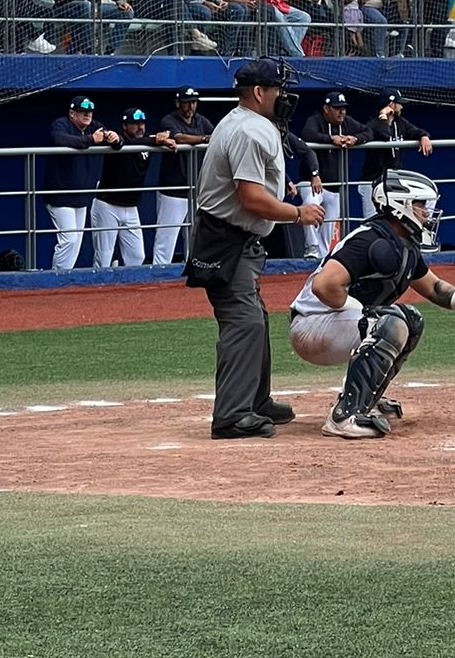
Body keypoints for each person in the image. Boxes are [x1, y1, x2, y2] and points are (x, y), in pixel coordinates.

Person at [288, 167, 455, 439]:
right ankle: (344, 417)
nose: (427, 212)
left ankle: (362, 399)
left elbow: (434, 288)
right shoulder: (369, 239)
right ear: (400, 204)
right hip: (311, 326)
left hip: (334, 326)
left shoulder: (403, 243)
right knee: (390, 322)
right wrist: (364, 315)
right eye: (420, 205)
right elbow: (324, 286)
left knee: (412, 320)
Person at [184, 57, 324, 440]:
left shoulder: (247, 123)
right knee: (243, 322)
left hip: (237, 238)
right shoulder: (248, 131)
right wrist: (298, 213)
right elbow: (251, 198)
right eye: (278, 89)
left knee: (255, 319)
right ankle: (231, 415)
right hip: (226, 238)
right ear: (260, 92)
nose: (284, 97)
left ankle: (256, 401)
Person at [42, 95, 121, 271]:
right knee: (69, 239)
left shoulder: (95, 126)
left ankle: (64, 275)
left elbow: (116, 143)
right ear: (72, 113)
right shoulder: (61, 124)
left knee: (76, 241)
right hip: (60, 194)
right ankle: (57, 277)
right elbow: (60, 139)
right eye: (82, 112)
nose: (87, 115)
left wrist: (116, 139)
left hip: (82, 195)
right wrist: (91, 140)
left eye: (89, 112)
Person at [299, 90, 366, 262]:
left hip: (335, 185)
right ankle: (311, 247)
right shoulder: (315, 121)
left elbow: (368, 132)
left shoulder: (348, 123)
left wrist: (355, 139)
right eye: (337, 108)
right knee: (311, 206)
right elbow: (308, 135)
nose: (342, 112)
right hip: (311, 181)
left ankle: (321, 256)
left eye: (343, 108)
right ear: (326, 109)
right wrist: (331, 139)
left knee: (328, 226)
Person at [152, 86, 215, 266]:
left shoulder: (201, 121)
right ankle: (159, 273)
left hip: (196, 190)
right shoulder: (169, 120)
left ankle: (193, 273)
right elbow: (179, 138)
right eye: (187, 103)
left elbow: (216, 135)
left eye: (193, 102)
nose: (191, 107)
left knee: (196, 237)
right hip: (173, 190)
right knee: (166, 238)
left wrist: (207, 137)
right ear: (178, 103)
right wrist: (203, 139)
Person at [91, 107, 154, 268]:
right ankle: (98, 290)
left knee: (137, 256)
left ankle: (128, 293)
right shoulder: (117, 140)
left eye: (142, 123)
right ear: (125, 126)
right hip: (108, 205)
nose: (140, 127)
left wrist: (156, 140)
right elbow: (118, 142)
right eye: (134, 124)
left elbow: (144, 141)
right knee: (104, 256)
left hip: (131, 207)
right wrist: (154, 140)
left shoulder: (146, 142)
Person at [355, 90, 432, 214]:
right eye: (399, 103)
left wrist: (424, 136)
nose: (402, 107)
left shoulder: (400, 122)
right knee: (372, 221)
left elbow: (415, 131)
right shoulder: (373, 123)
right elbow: (384, 135)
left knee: (395, 219)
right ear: (391, 105)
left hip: (393, 181)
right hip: (372, 182)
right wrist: (383, 117)